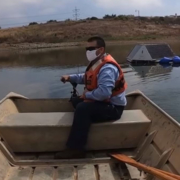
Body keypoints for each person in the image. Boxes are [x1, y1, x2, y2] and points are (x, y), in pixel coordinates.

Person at [56, 36, 127, 159]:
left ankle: (76, 148)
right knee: (76, 102)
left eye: (90, 48)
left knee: (82, 108)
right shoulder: (97, 63)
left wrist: (86, 95)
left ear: (100, 50)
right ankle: (84, 123)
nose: (87, 51)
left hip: (114, 108)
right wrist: (70, 77)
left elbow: (104, 93)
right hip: (104, 103)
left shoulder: (108, 68)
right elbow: (87, 77)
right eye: (86, 48)